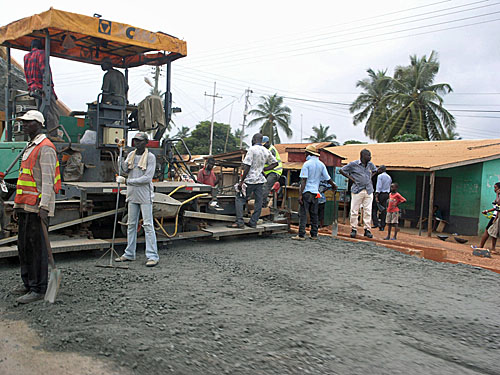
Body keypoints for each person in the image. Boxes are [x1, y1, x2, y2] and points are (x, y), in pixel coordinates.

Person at [9, 110, 61, 303]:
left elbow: (48, 181)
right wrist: (17, 204)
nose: (24, 125)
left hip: (36, 207)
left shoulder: (45, 148)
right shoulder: (30, 146)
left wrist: (44, 206)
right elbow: (24, 178)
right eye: (23, 122)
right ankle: (28, 283)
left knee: (36, 249)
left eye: (28, 122)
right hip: (25, 206)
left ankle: (38, 288)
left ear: (38, 124)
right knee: (23, 247)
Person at [115, 132, 159, 267]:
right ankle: (129, 253)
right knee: (131, 224)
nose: (137, 143)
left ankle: (152, 255)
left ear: (146, 143)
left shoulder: (150, 157)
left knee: (147, 225)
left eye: (139, 141)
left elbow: (147, 178)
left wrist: (127, 182)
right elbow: (123, 169)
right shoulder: (131, 155)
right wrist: (120, 156)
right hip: (132, 194)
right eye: (135, 141)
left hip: (144, 195)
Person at [228, 133, 278, 229]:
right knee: (258, 201)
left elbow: (247, 166)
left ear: (254, 139)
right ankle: (253, 222)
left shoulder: (252, 150)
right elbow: (275, 163)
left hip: (250, 180)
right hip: (260, 180)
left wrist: (241, 181)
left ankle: (239, 222)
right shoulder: (266, 151)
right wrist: (265, 170)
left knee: (240, 198)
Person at [292, 145, 337, 241]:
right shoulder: (321, 164)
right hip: (316, 193)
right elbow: (328, 178)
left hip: (307, 191)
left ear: (308, 153)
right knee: (314, 214)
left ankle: (301, 235)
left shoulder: (307, 164)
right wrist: (334, 186)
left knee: (303, 213)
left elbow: (303, 180)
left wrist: (300, 195)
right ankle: (314, 234)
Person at [339, 149, 381, 239]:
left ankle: (367, 229)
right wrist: (352, 179)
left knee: (368, 211)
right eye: (368, 155)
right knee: (354, 210)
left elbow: (375, 171)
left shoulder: (370, 165)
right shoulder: (353, 164)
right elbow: (342, 170)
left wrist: (370, 177)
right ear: (362, 156)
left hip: (369, 190)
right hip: (357, 190)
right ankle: (354, 229)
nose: (370, 157)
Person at [23, 39, 59, 134]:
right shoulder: (41, 53)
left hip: (34, 89)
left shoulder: (26, 57)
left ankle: (39, 133)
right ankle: (53, 134)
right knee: (52, 113)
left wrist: (31, 87)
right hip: (43, 88)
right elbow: (45, 72)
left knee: (40, 112)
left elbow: (26, 74)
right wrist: (50, 89)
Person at [261, 136, 283, 208]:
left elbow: (274, 164)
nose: (263, 146)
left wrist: (265, 169)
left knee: (266, 186)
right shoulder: (264, 150)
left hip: (275, 171)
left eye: (264, 144)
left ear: (268, 143)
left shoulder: (271, 150)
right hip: (268, 172)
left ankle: (262, 205)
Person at [478, 182, 500, 251]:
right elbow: (496, 207)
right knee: (494, 232)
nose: (494, 189)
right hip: (496, 215)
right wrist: (487, 211)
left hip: (496, 216)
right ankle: (493, 248)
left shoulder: (499, 196)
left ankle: (481, 246)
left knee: (487, 230)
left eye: (495, 188)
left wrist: (497, 194)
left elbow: (498, 204)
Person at [373, 165, 391, 231]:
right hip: (386, 194)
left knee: (374, 208)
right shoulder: (389, 177)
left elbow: (379, 186)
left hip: (380, 194)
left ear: (381, 170)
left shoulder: (380, 176)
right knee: (383, 210)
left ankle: (376, 223)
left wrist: (376, 195)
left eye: (379, 169)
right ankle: (383, 225)